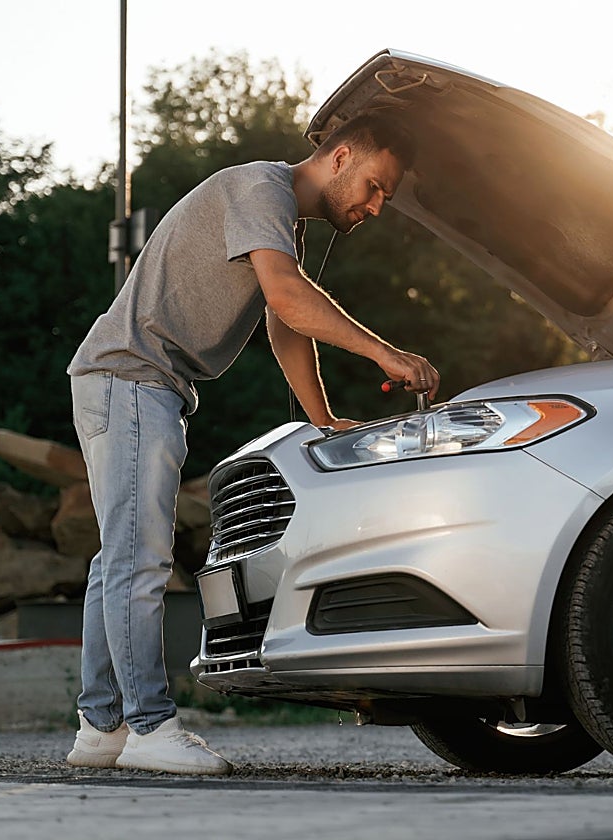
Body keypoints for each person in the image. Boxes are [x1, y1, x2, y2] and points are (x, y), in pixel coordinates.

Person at [63, 112, 439, 775]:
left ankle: (101, 727)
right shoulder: (260, 187)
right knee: (139, 561)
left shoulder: (277, 217)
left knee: (116, 561)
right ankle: (150, 728)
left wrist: (321, 418)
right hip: (131, 380)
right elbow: (290, 299)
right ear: (343, 156)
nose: (376, 206)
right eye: (375, 186)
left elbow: (283, 325)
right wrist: (385, 353)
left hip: (134, 383)